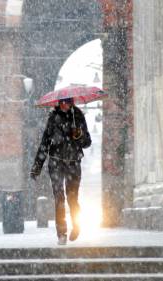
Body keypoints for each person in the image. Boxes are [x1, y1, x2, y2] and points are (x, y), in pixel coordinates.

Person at [30, 97, 92, 245]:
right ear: (58, 103)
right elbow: (45, 142)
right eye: (62, 102)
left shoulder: (78, 116)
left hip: (73, 162)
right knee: (59, 199)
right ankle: (61, 233)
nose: (65, 105)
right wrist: (37, 166)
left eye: (68, 102)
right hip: (56, 162)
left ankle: (77, 225)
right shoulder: (53, 117)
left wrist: (80, 135)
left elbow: (87, 143)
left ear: (72, 103)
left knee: (72, 199)